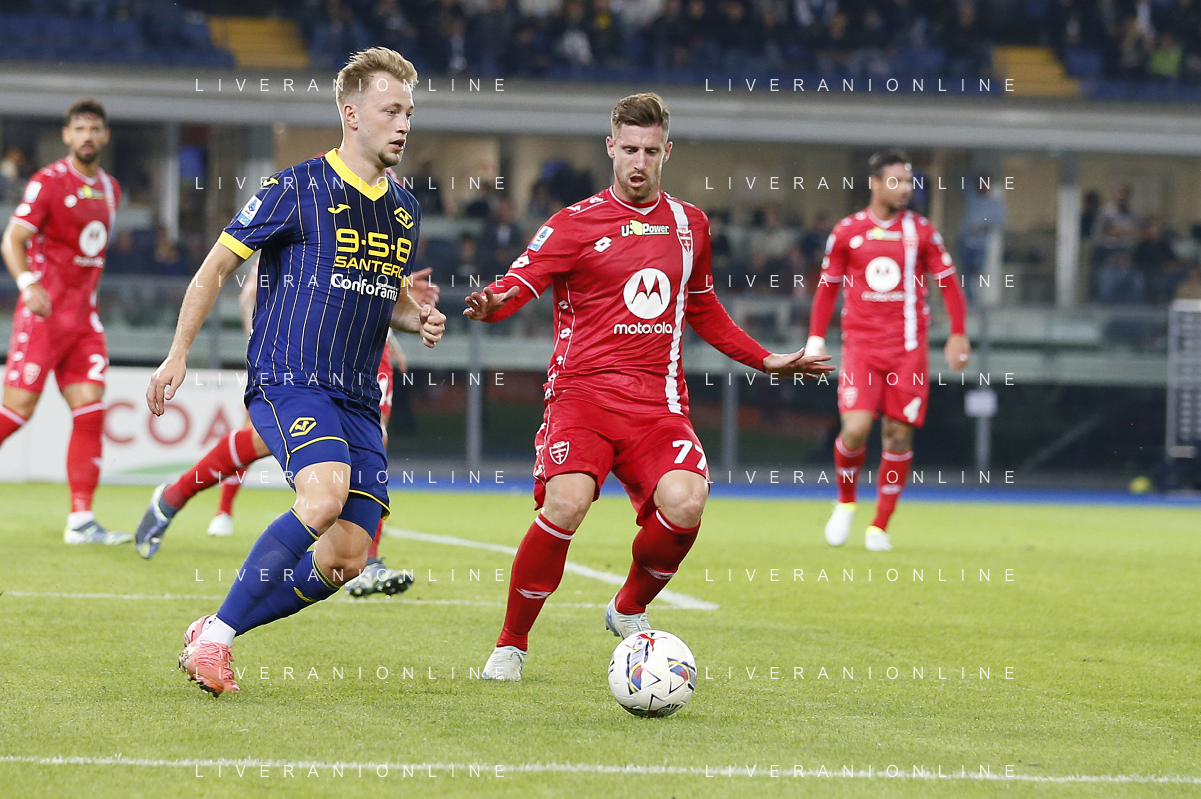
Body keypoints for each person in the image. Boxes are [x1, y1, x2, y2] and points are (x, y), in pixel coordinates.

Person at [463, 93, 833, 681]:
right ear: (611, 148)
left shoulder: (690, 225)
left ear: (667, 152)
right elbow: (521, 282)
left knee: (687, 502)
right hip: (581, 395)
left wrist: (766, 360)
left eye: (651, 151)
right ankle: (512, 643)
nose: (639, 162)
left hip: (657, 402)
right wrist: (493, 304)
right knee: (567, 502)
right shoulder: (573, 223)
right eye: (630, 149)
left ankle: (628, 606)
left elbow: (704, 308)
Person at [146, 47, 446, 696]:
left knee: (345, 560)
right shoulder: (296, 188)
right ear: (352, 114)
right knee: (323, 496)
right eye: (390, 110)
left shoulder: (404, 209)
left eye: (409, 113)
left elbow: (386, 295)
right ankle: (216, 642)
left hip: (358, 397)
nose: (403, 124)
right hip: (290, 377)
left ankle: (215, 628)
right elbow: (215, 268)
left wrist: (415, 317)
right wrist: (178, 352)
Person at [134, 257, 440, 598]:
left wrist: (401, 303)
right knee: (262, 439)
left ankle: (368, 563)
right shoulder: (301, 226)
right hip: (305, 349)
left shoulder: (390, 226)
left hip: (367, 350)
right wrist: (261, 349)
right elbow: (249, 292)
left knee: (373, 436)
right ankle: (176, 497)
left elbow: (369, 288)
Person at [807, 149, 970, 552]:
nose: (904, 189)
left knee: (898, 434)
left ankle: (879, 525)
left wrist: (958, 333)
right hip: (861, 348)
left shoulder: (922, 231)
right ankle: (846, 501)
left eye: (909, 181)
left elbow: (948, 283)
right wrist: (816, 337)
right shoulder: (848, 231)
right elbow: (827, 287)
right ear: (875, 184)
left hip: (907, 350)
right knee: (856, 429)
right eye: (895, 181)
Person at [0, 99, 129, 545]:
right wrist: (28, 283)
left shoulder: (111, 188)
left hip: (84, 321)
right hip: (44, 316)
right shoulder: (48, 182)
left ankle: (81, 521)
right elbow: (13, 239)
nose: (87, 136)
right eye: (80, 128)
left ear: (105, 136)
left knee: (90, 409)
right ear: (66, 135)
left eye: (94, 128)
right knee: (17, 410)